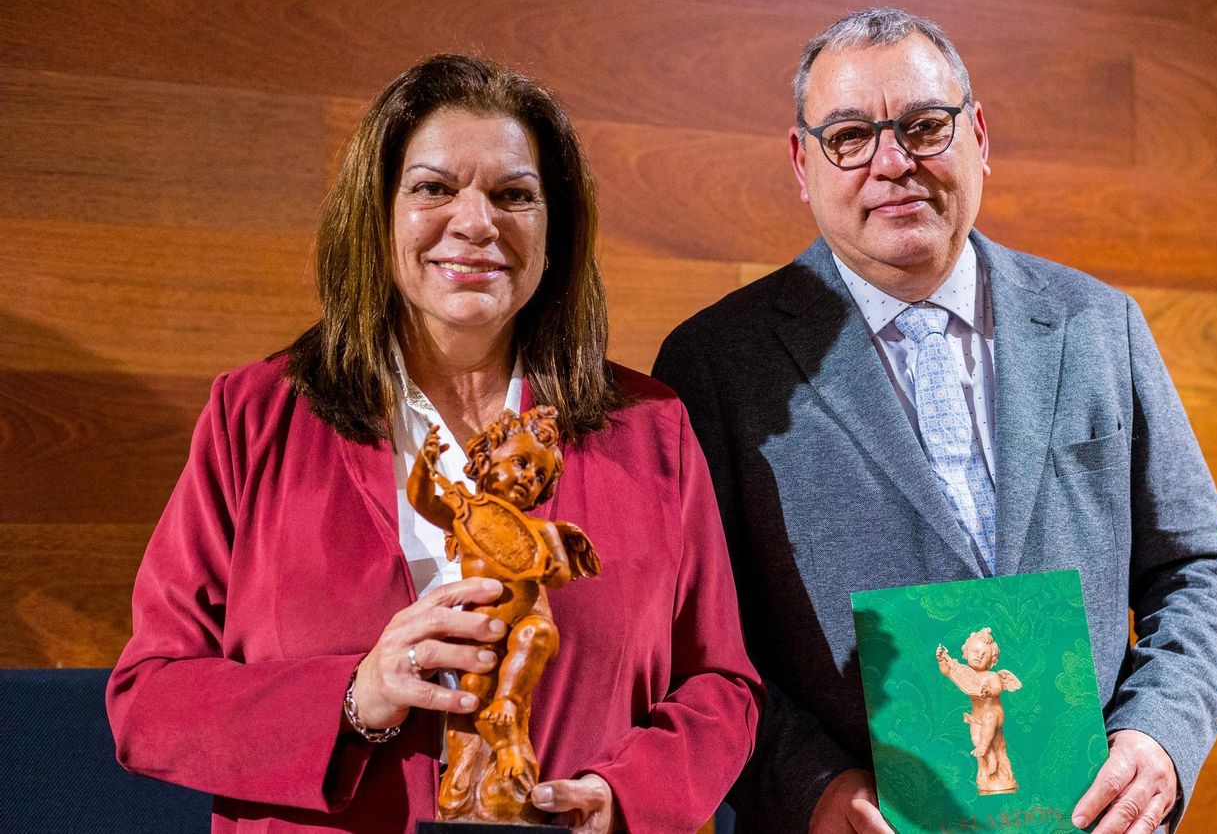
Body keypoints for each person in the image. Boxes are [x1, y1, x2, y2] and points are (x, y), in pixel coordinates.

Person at [108, 54, 760, 834]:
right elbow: (149, 699)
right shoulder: (253, 416)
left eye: (514, 195)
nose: (476, 223)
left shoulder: (650, 426)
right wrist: (357, 695)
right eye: (434, 189)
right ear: (377, 214)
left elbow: (720, 686)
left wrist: (625, 798)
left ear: (555, 233)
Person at [652, 8, 1217, 834]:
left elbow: (1198, 569)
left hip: (1083, 817)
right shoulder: (715, 364)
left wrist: (1161, 736)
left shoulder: (1099, 325)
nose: (893, 163)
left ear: (979, 135)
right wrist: (810, 789)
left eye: (925, 127)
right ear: (802, 161)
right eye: (851, 136)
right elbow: (699, 642)